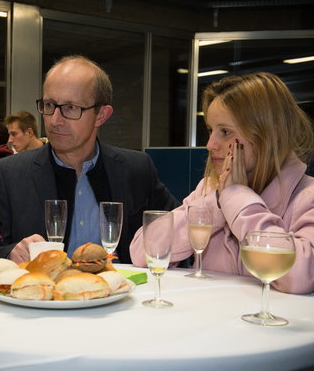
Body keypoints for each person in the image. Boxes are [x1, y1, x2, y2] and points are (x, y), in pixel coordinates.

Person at [130, 72, 314, 294]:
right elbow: (143, 252)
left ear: (269, 135)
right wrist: (217, 201)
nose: (210, 144)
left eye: (225, 132)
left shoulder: (307, 196)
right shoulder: (208, 189)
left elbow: (301, 276)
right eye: (210, 130)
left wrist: (237, 197)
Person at [0, 55, 179, 263]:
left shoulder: (135, 169)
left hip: (119, 293)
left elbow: (176, 227)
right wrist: (10, 253)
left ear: (101, 115)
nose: (55, 120)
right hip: (42, 293)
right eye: (50, 105)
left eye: (71, 108)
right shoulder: (8, 174)